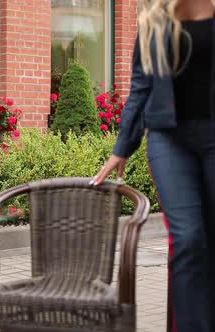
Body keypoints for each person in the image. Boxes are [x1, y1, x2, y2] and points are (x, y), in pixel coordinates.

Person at [92, 0, 215, 331]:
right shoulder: (155, 23)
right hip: (169, 141)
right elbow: (140, 89)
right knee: (188, 239)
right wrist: (122, 147)